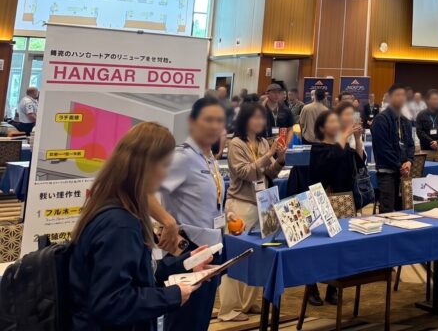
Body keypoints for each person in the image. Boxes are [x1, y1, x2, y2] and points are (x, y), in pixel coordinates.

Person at [70, 122, 213, 331]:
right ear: (146, 167)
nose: (166, 175)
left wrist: (184, 265)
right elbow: (111, 302)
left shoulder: (113, 208)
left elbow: (136, 275)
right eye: (165, 165)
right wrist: (172, 296)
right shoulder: (120, 225)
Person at [156, 96, 227, 331]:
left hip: (212, 248)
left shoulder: (208, 158)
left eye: (219, 121)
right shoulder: (182, 157)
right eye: (208, 120)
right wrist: (167, 222)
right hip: (189, 250)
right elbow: (144, 192)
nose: (214, 126)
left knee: (200, 318)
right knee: (184, 320)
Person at [219, 102, 286, 321]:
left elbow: (269, 174)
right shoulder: (236, 143)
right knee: (236, 256)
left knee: (259, 254)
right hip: (241, 204)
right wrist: (269, 155)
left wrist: (280, 159)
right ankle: (230, 309)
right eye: (255, 117)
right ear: (245, 119)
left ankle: (248, 303)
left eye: (262, 118)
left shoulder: (263, 142)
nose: (260, 121)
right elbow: (245, 172)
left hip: (264, 203)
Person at [371, 84, 414, 212]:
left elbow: (410, 145)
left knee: (404, 210)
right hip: (387, 173)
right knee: (387, 211)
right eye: (397, 95)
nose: (401, 98)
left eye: (403, 95)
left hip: (403, 172)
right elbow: (383, 149)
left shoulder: (405, 121)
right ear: (389, 98)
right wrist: (400, 166)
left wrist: (409, 161)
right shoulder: (381, 120)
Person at [310, 104, 366, 196]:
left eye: (337, 121)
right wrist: (346, 134)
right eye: (332, 122)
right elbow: (332, 159)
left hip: (347, 196)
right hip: (327, 197)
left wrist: (357, 139)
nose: (336, 124)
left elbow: (359, 163)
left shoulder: (344, 145)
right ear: (321, 128)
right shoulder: (317, 149)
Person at [415, 89, 438, 162]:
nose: (436, 101)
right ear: (428, 100)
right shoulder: (421, 115)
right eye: (433, 99)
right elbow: (419, 132)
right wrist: (432, 142)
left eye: (437, 99)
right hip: (426, 151)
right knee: (425, 169)